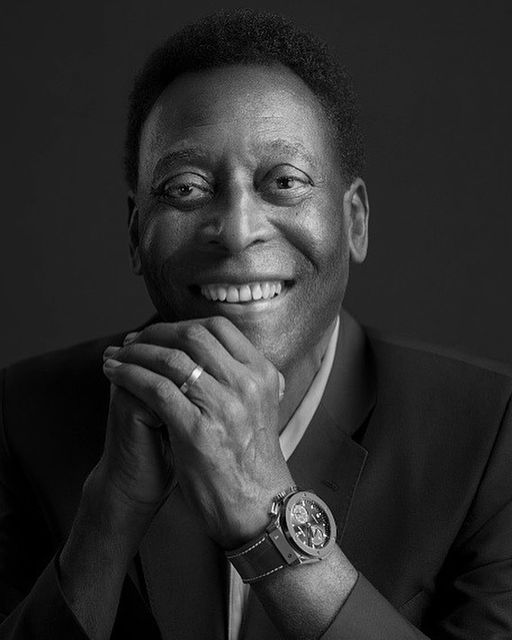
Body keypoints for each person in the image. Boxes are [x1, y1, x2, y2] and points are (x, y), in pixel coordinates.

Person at [1, 9, 511, 640]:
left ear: (354, 221)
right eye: (186, 188)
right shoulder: (23, 417)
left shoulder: (490, 434)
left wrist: (267, 516)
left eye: (285, 182)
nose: (239, 231)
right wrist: (108, 517)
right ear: (136, 235)